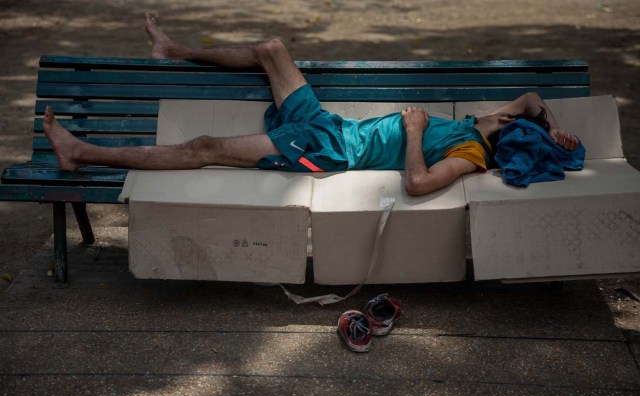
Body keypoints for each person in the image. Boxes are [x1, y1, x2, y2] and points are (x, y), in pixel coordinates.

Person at [43, 13, 580, 197]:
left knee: (204, 147)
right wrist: (553, 126)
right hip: (330, 124)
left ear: (508, 147)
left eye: (513, 127)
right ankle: (171, 49)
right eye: (511, 121)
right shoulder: (494, 123)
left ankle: (82, 154)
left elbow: (417, 186)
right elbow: (532, 99)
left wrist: (414, 134)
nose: (505, 119)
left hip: (323, 150)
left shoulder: (471, 154)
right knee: (273, 48)